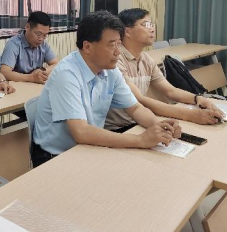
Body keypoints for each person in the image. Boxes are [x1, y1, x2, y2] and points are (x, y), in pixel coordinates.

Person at [32, 11, 181, 167]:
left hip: (88, 146)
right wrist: (141, 140)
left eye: (119, 44)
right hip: (55, 155)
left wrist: (158, 126)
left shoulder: (110, 69)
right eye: (112, 45)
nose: (118, 52)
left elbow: (136, 108)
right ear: (87, 47)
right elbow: (81, 132)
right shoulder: (67, 74)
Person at [104, 9, 225, 132]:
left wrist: (197, 98)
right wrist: (190, 115)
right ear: (127, 31)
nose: (152, 29)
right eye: (145, 24)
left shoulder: (146, 59)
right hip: (118, 129)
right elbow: (139, 99)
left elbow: (170, 91)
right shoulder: (115, 60)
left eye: (151, 24)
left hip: (140, 122)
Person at [1, 11, 58, 84]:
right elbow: (5, 72)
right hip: (19, 85)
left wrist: (42, 72)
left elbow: (56, 64)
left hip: (35, 85)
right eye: (38, 34)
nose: (41, 39)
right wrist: (32, 77)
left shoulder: (43, 44)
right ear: (27, 27)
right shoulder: (14, 44)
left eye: (45, 35)